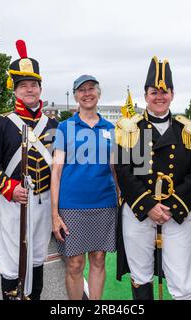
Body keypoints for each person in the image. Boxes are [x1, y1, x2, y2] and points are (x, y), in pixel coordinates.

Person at [114, 56, 191, 300]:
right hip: (138, 211)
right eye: (154, 92)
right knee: (140, 275)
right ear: (145, 96)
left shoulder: (187, 130)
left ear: (173, 94)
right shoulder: (131, 129)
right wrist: (149, 206)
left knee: (183, 279)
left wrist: (171, 207)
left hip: (176, 212)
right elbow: (124, 171)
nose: (159, 96)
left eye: (165, 91)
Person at [0, 39, 58, 300]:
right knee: (13, 257)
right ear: (15, 90)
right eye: (24, 85)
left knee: (38, 256)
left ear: (40, 88)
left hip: (45, 199)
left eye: (34, 84)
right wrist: (8, 188)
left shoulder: (52, 123)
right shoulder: (2, 123)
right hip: (14, 201)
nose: (29, 89)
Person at [51, 75, 118, 300]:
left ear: (98, 94)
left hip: (104, 204)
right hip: (71, 206)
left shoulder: (111, 128)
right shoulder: (64, 127)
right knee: (75, 263)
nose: (87, 93)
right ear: (75, 96)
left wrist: (123, 200)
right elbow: (56, 172)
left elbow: (116, 170)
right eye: (82, 90)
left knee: (98, 259)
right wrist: (54, 214)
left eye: (91, 89)